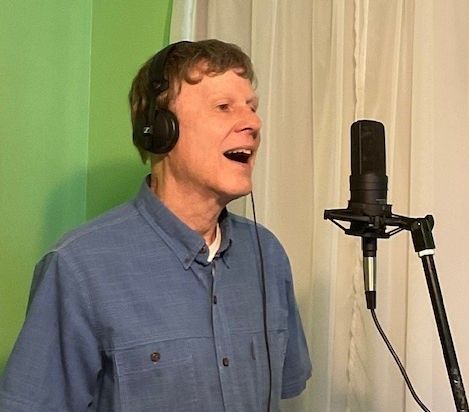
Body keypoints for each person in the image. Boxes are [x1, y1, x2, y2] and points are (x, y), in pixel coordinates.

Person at [0, 39, 311, 411]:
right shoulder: (77, 268)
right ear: (161, 130)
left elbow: (286, 386)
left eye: (252, 108)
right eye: (224, 107)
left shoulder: (267, 254)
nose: (253, 123)